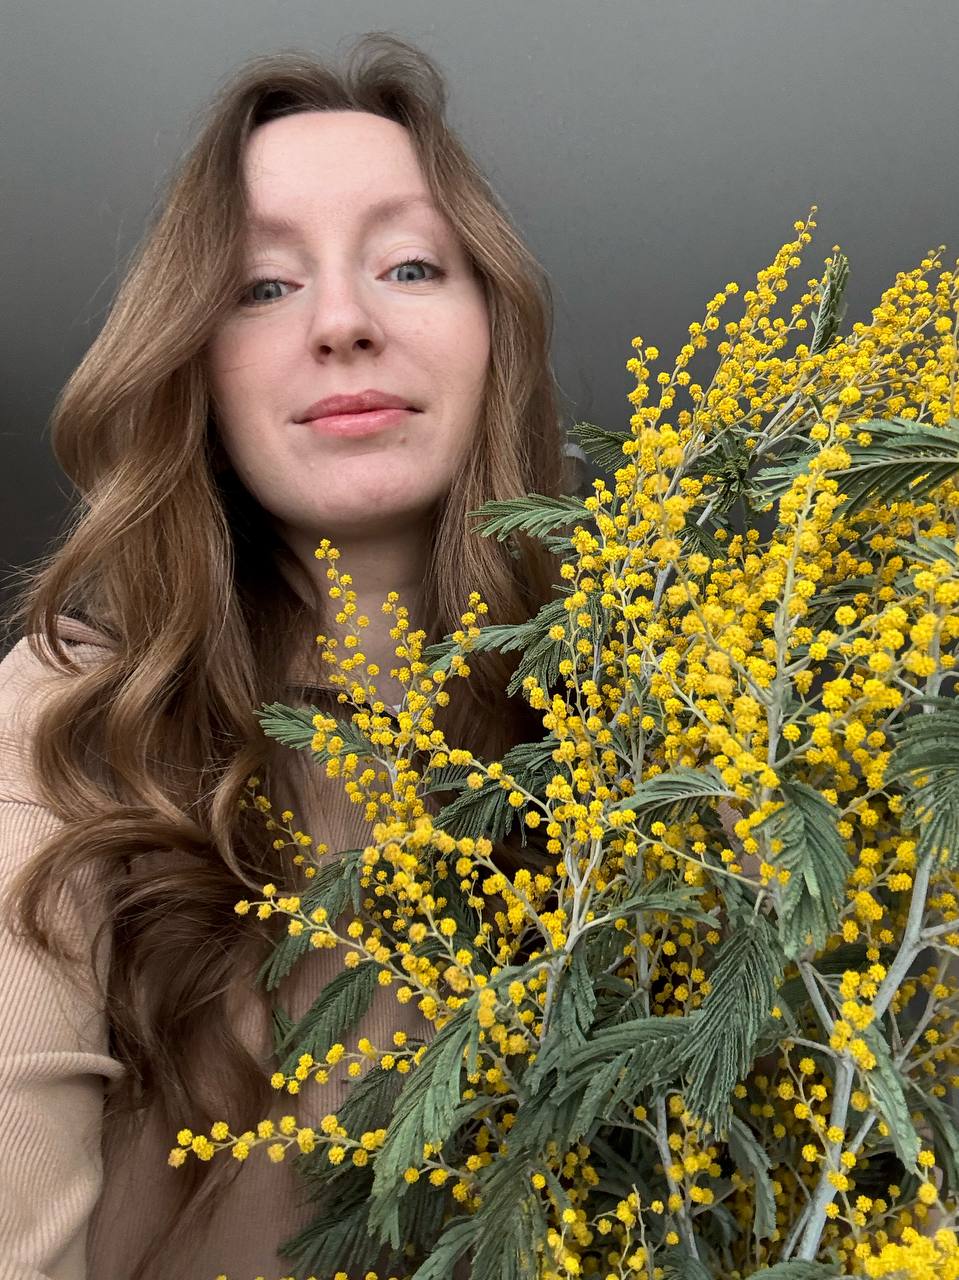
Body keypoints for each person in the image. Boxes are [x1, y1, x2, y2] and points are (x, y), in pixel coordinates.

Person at [0, 32, 580, 1280]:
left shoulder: (641, 734)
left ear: (495, 329)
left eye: (409, 264)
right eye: (262, 286)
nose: (342, 322)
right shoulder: (69, 727)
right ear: (193, 364)